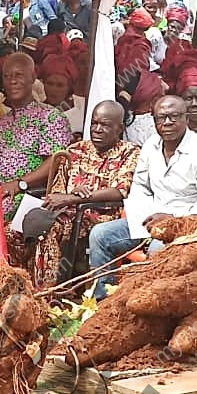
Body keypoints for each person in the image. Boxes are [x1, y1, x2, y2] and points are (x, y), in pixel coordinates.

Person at [88, 95, 197, 296]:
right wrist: (142, 214)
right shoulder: (151, 145)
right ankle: (103, 301)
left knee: (157, 248)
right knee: (100, 235)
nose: (167, 122)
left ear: (186, 118)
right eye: (161, 118)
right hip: (149, 220)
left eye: (174, 117)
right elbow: (140, 184)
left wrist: (175, 218)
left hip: (185, 225)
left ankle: (153, 307)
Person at [24, 101, 139, 288]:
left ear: (119, 128)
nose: (97, 130)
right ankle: (25, 284)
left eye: (105, 125)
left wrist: (77, 198)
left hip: (98, 214)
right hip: (65, 211)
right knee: (16, 230)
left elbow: (119, 191)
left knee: (49, 228)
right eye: (94, 123)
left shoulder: (129, 152)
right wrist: (68, 195)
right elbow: (57, 191)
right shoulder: (76, 150)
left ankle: (50, 291)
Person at [0, 53, 73, 262]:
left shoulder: (50, 117)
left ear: (33, 78)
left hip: (28, 194)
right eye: (7, 76)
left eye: (19, 75)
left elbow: (56, 161)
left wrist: (20, 184)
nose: (12, 81)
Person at [39, 54, 86, 136]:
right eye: (50, 83)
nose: (54, 89)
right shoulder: (37, 112)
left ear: (69, 86)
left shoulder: (83, 107)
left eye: (60, 85)